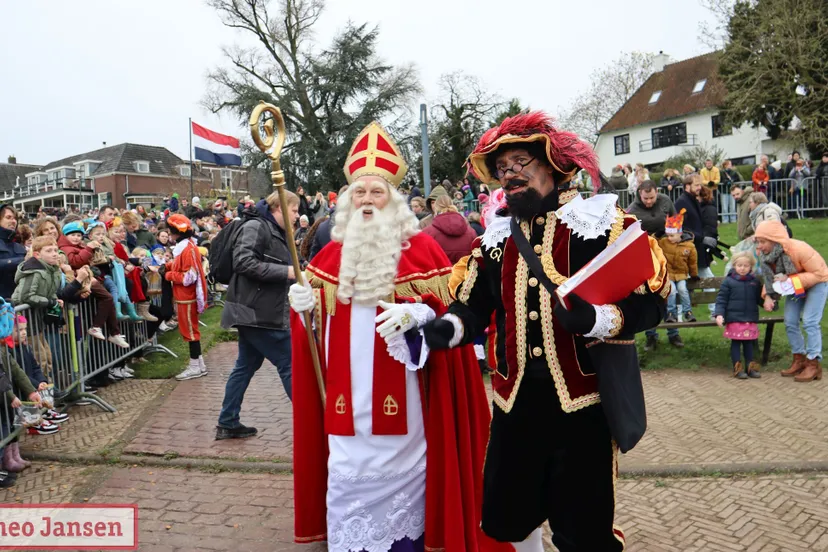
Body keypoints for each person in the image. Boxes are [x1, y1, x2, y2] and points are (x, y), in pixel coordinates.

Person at [422, 112, 668, 551]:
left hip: (582, 406)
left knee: (583, 526)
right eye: (502, 170)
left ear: (554, 167)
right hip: (516, 402)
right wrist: (450, 327)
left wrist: (597, 319)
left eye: (521, 164)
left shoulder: (601, 226)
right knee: (510, 513)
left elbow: (651, 302)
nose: (510, 176)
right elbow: (474, 305)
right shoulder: (495, 240)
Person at [287, 121, 495, 552]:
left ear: (394, 200)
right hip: (344, 403)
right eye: (359, 192)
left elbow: (448, 316)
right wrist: (301, 310)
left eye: (376, 192)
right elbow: (312, 337)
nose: (366, 200)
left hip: (408, 395)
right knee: (345, 479)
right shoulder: (327, 257)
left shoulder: (425, 252)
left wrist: (416, 313)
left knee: (408, 484)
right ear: (347, 200)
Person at [217, 191, 298, 439]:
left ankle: (228, 422)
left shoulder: (273, 230)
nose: (297, 215)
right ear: (279, 208)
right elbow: (243, 262)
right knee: (290, 363)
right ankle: (314, 421)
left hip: (256, 311)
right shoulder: (256, 226)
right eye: (293, 210)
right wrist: (287, 272)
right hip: (257, 313)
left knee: (245, 366)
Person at [755, 220, 828, 382]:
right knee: (790, 321)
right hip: (794, 285)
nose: (759, 246)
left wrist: (790, 278)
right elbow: (770, 278)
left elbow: (819, 273)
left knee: (810, 321)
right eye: (758, 241)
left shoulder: (799, 249)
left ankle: (813, 363)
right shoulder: (766, 256)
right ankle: (799, 359)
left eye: (763, 241)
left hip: (817, 283)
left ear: (775, 240)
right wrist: (767, 295)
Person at [164, 214, 209, 381]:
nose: (169, 235)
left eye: (170, 232)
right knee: (190, 331)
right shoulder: (186, 247)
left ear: (177, 233)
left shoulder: (188, 249)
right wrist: (167, 266)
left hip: (187, 297)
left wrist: (168, 275)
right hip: (184, 297)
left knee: (190, 332)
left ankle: (195, 366)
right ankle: (200, 364)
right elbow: (180, 265)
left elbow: (188, 277)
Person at [715, 252, 763, 379]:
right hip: (734, 318)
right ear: (734, 265)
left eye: (746, 266)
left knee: (749, 343)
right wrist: (719, 314)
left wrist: (770, 302)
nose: (742, 268)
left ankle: (750, 367)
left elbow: (759, 299)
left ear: (751, 267)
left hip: (749, 317)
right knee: (736, 342)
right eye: (739, 265)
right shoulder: (729, 281)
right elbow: (721, 299)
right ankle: (737, 367)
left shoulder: (754, 282)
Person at [658, 209, 698, 328]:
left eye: (672, 235)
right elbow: (653, 243)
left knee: (682, 290)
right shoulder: (664, 242)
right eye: (668, 235)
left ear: (680, 234)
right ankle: (671, 313)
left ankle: (688, 312)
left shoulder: (689, 246)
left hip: (681, 274)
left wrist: (694, 274)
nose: (669, 238)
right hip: (669, 274)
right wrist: (658, 235)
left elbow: (692, 262)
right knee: (672, 291)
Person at [422, 195, 477, 264]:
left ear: (435, 209)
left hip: (441, 273)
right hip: (464, 273)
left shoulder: (427, 232)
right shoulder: (471, 232)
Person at [0, 205, 27, 300]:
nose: (13, 221)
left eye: (15, 218)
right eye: (8, 217)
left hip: (17, 303)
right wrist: (22, 261)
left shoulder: (19, 247)